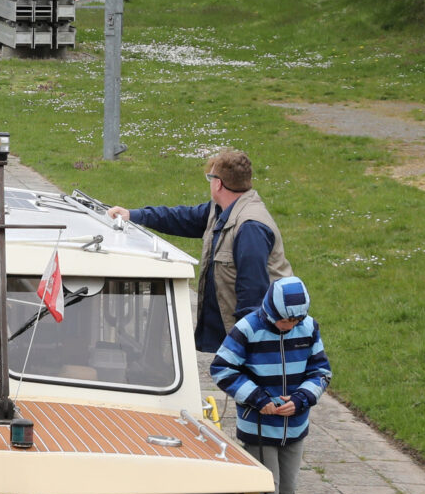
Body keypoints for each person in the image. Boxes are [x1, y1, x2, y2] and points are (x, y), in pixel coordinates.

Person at [107, 147, 291, 352]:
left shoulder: (250, 228)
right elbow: (181, 218)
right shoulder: (220, 209)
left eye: (210, 178)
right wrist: (133, 215)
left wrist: (243, 347)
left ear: (218, 183)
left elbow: (253, 294)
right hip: (231, 335)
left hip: (252, 341)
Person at [212, 275, 329, 494]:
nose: (291, 325)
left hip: (295, 426)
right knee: (268, 491)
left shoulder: (309, 328)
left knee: (287, 492)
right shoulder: (248, 329)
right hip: (259, 426)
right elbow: (222, 368)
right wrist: (256, 398)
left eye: (297, 320)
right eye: (286, 320)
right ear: (270, 310)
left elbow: (321, 372)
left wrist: (301, 398)